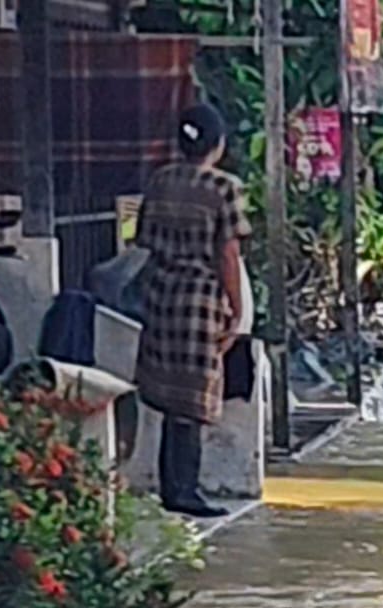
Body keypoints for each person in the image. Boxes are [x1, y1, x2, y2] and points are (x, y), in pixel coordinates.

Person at [135, 103, 250, 517]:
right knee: (193, 399)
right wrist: (236, 307)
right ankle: (184, 490)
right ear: (217, 144)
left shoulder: (160, 181)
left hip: (160, 295)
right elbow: (228, 253)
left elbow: (142, 238)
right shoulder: (224, 188)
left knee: (169, 396)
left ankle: (174, 486)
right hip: (200, 301)